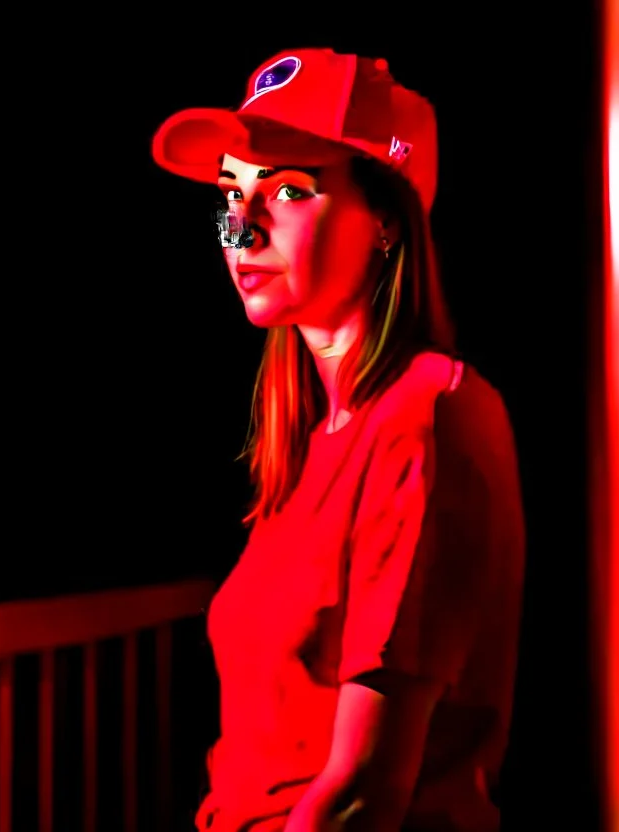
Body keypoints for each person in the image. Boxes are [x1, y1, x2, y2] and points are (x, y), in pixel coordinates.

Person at [150, 48, 526, 831]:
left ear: (386, 219)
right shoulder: (308, 441)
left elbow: (360, 794)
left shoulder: (428, 416)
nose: (240, 228)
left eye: (288, 189)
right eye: (231, 192)